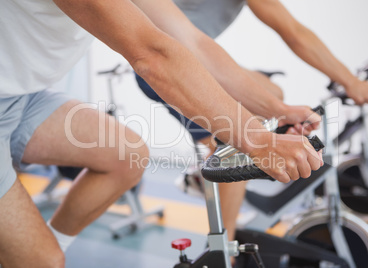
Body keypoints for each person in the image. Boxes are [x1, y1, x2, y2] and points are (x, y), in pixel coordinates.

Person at [0, 0, 323, 267]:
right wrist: (257, 139)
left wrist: (275, 109)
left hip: (21, 97)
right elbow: (151, 55)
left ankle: (30, 253)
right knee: (42, 260)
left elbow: (193, 42)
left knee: (128, 154)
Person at [132, 0, 368, 248]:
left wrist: (280, 111)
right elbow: (294, 32)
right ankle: (223, 248)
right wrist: (349, 81)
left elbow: (199, 45)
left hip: (191, 55)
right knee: (238, 146)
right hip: (171, 63)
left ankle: (210, 178)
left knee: (273, 93)